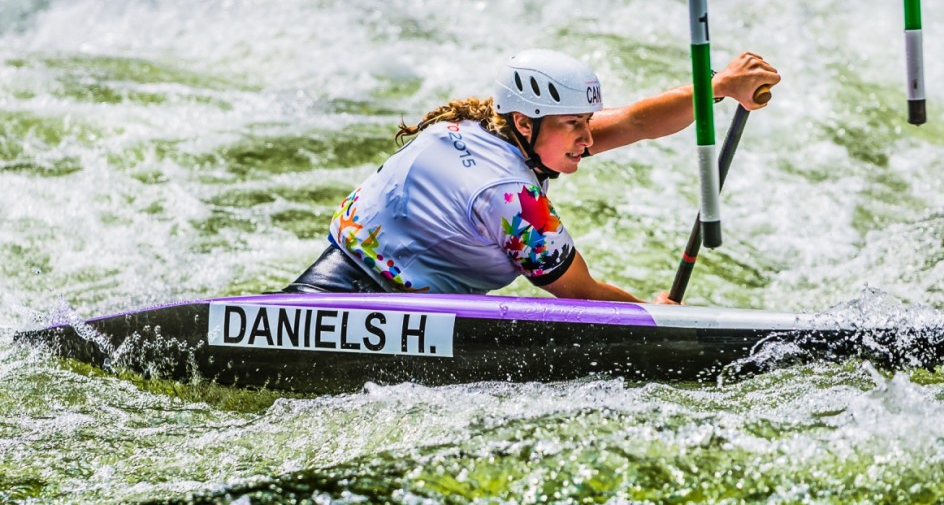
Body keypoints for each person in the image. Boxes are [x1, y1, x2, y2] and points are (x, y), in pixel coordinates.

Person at [283, 49, 780, 303]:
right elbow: (581, 293)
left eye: (588, 123)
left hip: (333, 281)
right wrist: (659, 318)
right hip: (376, 310)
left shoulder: (478, 126)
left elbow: (636, 121)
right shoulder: (511, 196)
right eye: (574, 126)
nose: (587, 139)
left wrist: (718, 86)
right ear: (526, 122)